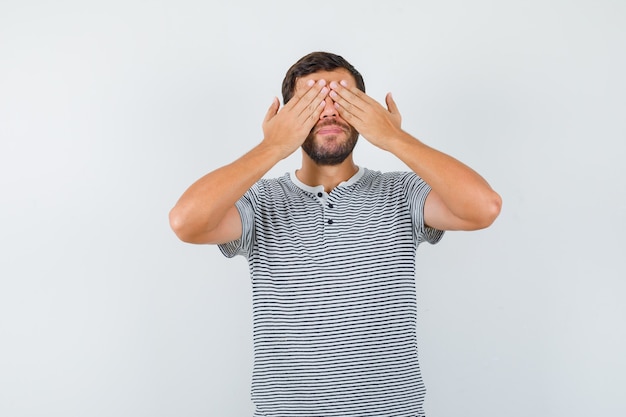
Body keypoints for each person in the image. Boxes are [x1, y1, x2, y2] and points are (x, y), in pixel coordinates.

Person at [169, 51, 502, 417]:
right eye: (312, 101)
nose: (328, 111)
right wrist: (273, 146)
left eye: (342, 99)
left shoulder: (402, 194)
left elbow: (483, 208)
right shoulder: (260, 201)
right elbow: (186, 222)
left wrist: (394, 138)